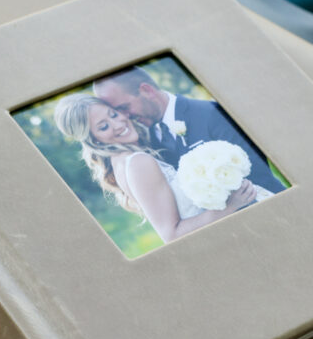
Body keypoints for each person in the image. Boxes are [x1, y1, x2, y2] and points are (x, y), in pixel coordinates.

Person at [53, 93, 257, 243]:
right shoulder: (138, 162)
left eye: (113, 114)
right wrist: (230, 206)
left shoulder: (122, 162)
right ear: (92, 139)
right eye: (103, 126)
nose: (118, 124)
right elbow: (171, 234)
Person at [94, 66, 284, 195]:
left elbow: (259, 175)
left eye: (125, 107)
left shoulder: (212, 114)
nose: (125, 117)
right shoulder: (148, 137)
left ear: (147, 91)